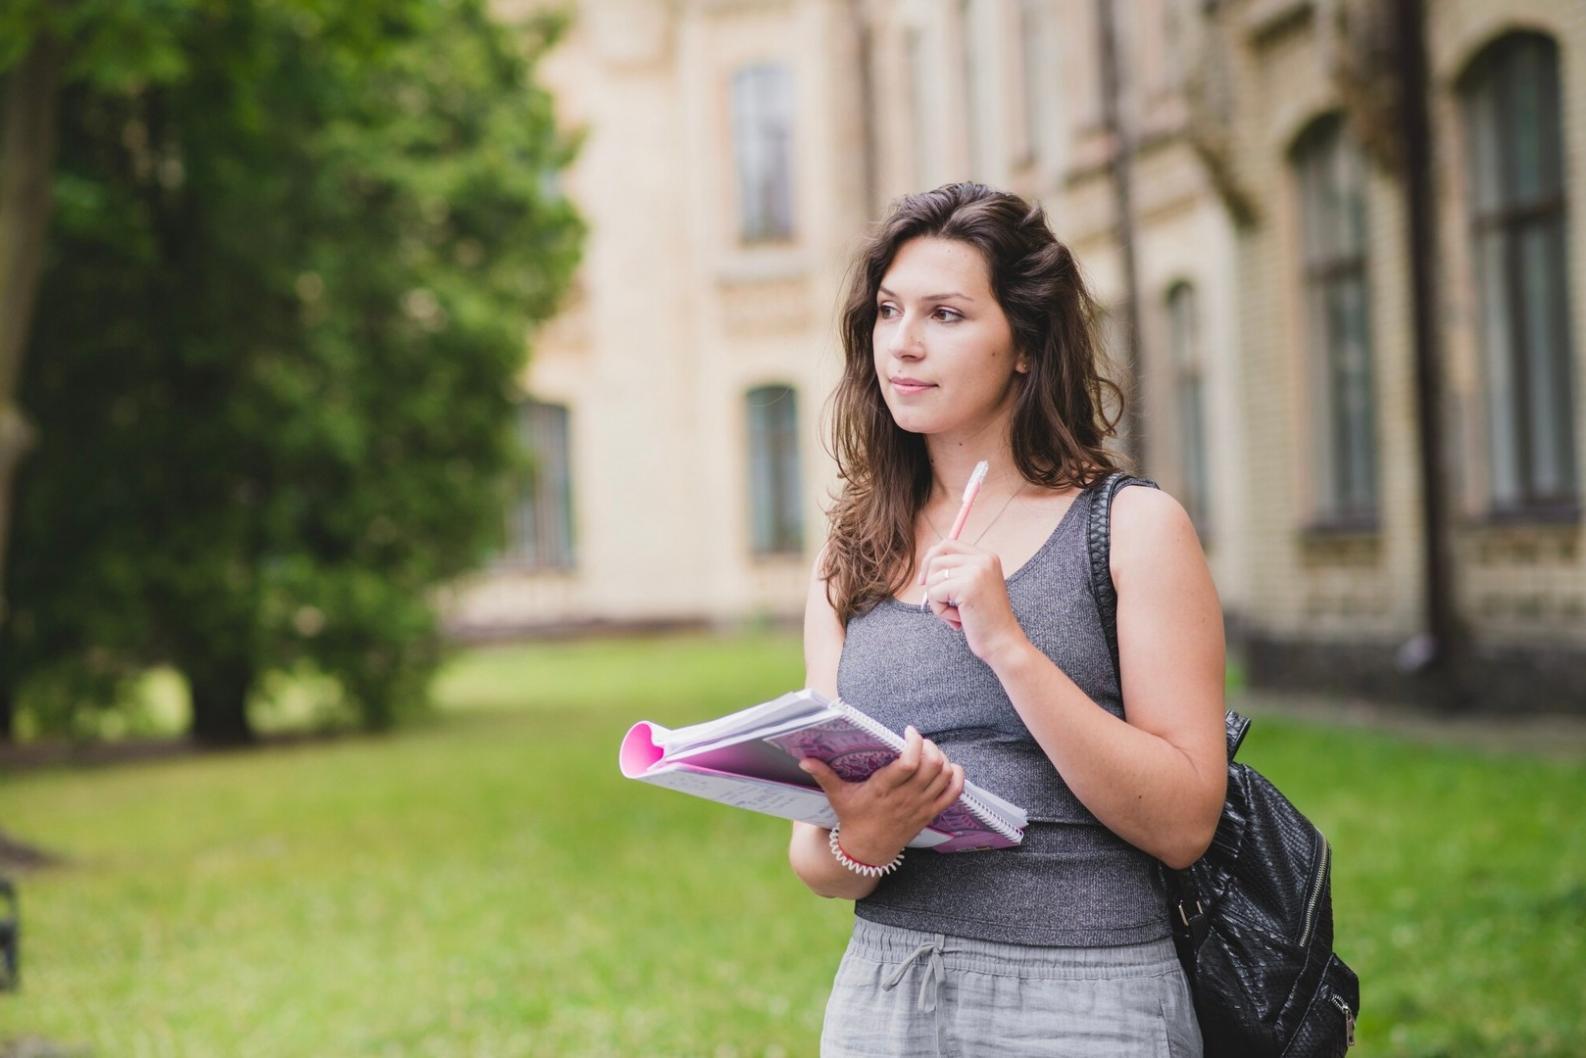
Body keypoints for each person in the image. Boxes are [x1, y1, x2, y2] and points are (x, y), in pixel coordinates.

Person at [788, 183, 1226, 1057]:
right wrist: (867, 840)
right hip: (889, 991)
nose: (902, 344)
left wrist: (1009, 648)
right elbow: (816, 858)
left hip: (1085, 1000)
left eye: (945, 314)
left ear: (1023, 345)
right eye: (887, 310)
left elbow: (1184, 823)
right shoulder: (852, 552)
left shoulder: (1130, 529)